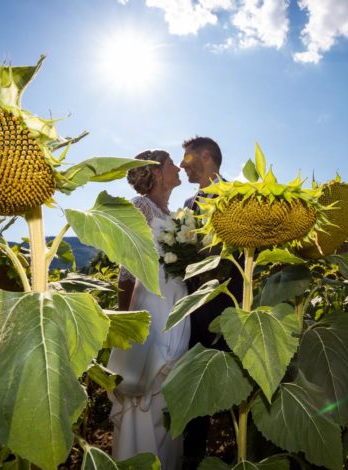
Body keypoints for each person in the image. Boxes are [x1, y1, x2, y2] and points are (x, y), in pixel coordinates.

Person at [107, 150, 190, 470]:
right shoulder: (141, 208)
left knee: (171, 391)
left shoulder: (179, 216)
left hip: (178, 304)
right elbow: (127, 268)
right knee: (146, 387)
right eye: (171, 163)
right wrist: (125, 323)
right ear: (156, 172)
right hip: (150, 305)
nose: (178, 167)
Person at [180, 136, 244, 467]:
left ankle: (242, 450)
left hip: (232, 307)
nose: (182, 165)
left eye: (187, 157)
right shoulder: (189, 205)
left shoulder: (237, 197)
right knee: (196, 378)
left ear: (206, 156)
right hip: (196, 309)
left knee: (238, 383)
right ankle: (193, 454)